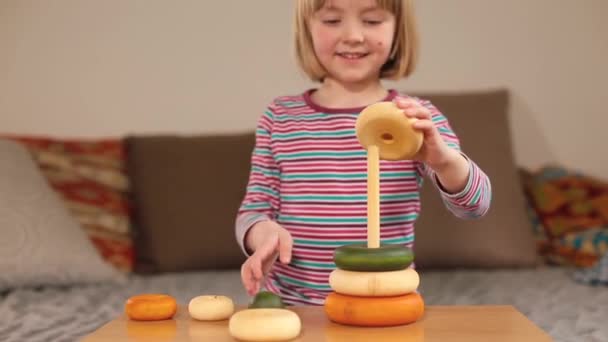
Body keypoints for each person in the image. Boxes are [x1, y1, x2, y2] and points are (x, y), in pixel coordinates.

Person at [235, 0, 492, 305]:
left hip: (385, 305)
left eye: (371, 21)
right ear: (308, 29)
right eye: (332, 20)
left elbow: (476, 205)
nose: (353, 35)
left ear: (398, 31)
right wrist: (262, 233)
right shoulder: (280, 117)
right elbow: (253, 210)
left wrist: (443, 160)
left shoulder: (416, 119)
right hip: (294, 307)